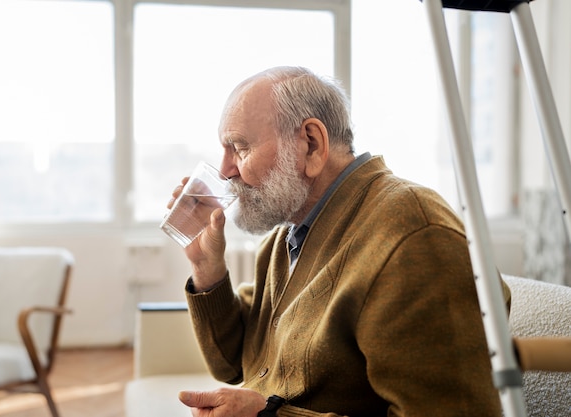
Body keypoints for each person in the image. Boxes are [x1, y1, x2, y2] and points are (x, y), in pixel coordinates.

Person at [168, 66, 510, 416]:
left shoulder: (415, 236)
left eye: (240, 148)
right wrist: (205, 267)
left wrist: (268, 415)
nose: (225, 170)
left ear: (311, 144)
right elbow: (233, 364)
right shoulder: (286, 238)